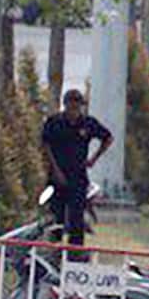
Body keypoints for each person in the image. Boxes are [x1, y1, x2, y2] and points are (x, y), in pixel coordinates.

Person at [41, 88, 113, 249]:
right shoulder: (55, 122)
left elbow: (107, 138)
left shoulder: (88, 123)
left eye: (77, 106)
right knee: (56, 217)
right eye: (70, 106)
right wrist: (55, 170)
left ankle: (75, 254)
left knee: (76, 219)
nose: (74, 111)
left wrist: (94, 158)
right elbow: (45, 144)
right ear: (65, 105)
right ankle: (54, 250)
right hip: (57, 176)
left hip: (78, 176)